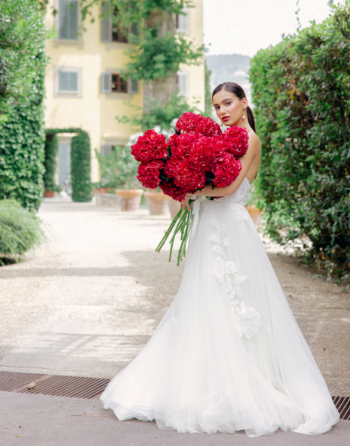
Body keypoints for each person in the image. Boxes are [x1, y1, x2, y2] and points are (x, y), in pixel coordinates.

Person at [100, 82, 339, 437]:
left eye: (228, 103)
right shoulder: (220, 138)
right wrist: (183, 180)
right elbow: (212, 184)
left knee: (235, 301)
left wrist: (193, 190)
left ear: (244, 103)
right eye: (216, 106)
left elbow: (227, 189)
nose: (222, 111)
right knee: (200, 300)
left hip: (231, 229)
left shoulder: (250, 140)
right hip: (208, 226)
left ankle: (242, 383)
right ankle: (197, 380)